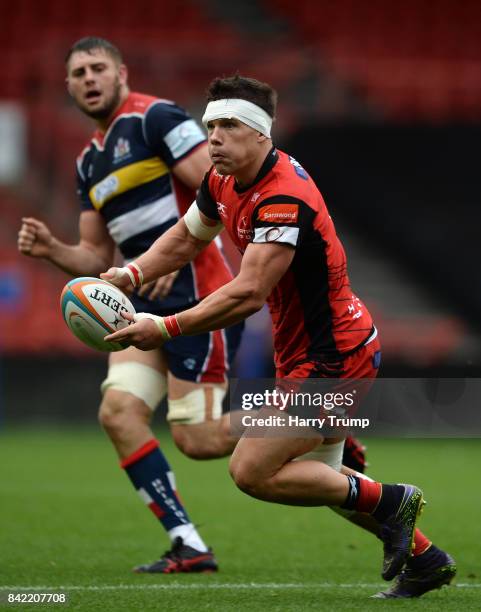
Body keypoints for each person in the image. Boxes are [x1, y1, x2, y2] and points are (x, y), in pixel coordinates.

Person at [102, 74, 456, 598]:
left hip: (335, 357)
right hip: (306, 354)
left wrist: (166, 326)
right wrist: (131, 275)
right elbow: (184, 237)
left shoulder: (283, 198)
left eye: (228, 126)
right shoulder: (223, 180)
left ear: (261, 134)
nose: (213, 137)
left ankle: (393, 498)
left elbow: (247, 294)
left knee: (251, 470)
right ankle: (426, 560)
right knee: (327, 485)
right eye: (210, 125)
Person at [17, 37, 246, 574]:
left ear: (121, 72)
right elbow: (96, 255)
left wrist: (162, 258)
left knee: (201, 438)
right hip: (137, 301)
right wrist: (52, 250)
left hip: (196, 293)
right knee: (118, 413)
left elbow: (215, 190)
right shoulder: (87, 163)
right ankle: (189, 543)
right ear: (69, 86)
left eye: (99, 68)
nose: (89, 78)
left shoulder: (155, 118)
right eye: (78, 73)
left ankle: (311, 419)